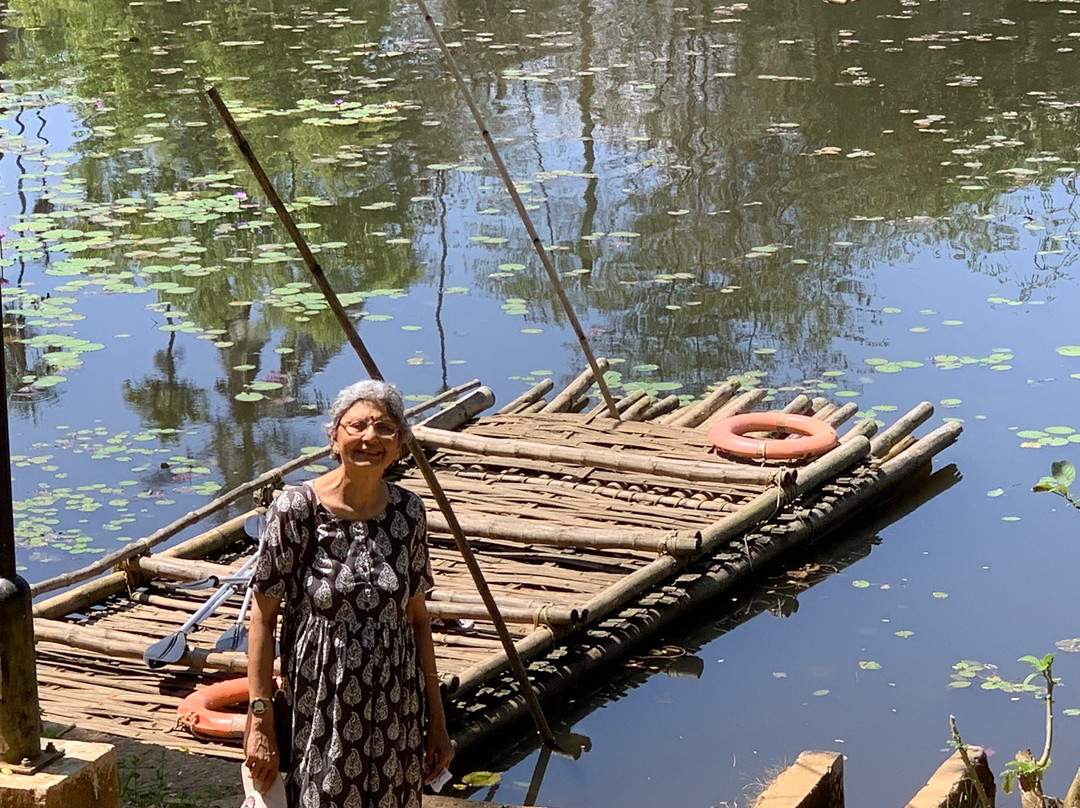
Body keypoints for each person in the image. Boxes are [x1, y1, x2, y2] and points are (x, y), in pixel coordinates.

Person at [244, 379, 454, 807]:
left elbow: (417, 618)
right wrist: (260, 719)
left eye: (384, 429)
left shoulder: (409, 513)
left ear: (398, 446)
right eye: (356, 426)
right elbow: (263, 617)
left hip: (397, 708)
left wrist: (437, 719)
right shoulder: (296, 509)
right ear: (335, 437)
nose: (369, 438)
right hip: (321, 709)